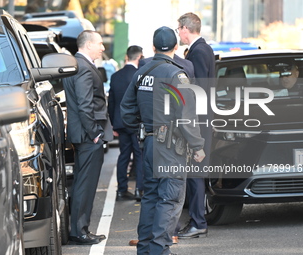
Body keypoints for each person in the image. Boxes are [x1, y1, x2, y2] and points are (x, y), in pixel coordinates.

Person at [121, 26, 205, 255]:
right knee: (169, 199)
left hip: (148, 144)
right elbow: (186, 117)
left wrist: (145, 128)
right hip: (171, 148)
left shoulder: (141, 73)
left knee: (150, 197)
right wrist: (197, 146)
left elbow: (126, 111)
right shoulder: (176, 75)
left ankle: (146, 248)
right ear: (176, 47)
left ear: (153, 47)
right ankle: (159, 250)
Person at [63, 30, 113, 245]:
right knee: (85, 184)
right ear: (89, 44)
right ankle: (80, 231)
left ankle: (79, 229)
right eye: (100, 43)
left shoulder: (77, 64)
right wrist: (95, 134)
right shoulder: (83, 67)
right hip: (87, 135)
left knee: (83, 183)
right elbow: (85, 105)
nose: (103, 48)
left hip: (83, 134)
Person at [176, 12, 215, 239]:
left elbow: (198, 92)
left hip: (198, 123)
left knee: (195, 174)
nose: (177, 33)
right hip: (201, 121)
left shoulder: (198, 52)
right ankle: (197, 219)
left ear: (184, 28)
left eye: (178, 29)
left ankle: (198, 221)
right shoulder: (203, 49)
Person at [108, 45, 144, 201]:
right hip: (136, 124)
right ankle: (139, 190)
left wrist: (113, 124)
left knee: (124, 155)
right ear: (140, 57)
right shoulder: (139, 75)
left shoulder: (116, 76)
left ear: (127, 56)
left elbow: (111, 102)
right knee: (139, 155)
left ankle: (121, 190)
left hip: (121, 123)